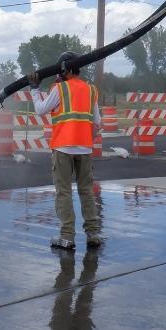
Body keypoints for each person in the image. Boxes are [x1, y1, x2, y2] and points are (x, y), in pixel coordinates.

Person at [28, 51, 103, 250]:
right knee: (86, 191)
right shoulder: (91, 90)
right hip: (85, 149)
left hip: (63, 148)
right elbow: (97, 123)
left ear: (64, 69)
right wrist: (85, 140)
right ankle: (93, 234)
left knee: (64, 192)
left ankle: (67, 237)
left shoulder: (60, 89)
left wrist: (35, 89)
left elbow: (40, 109)